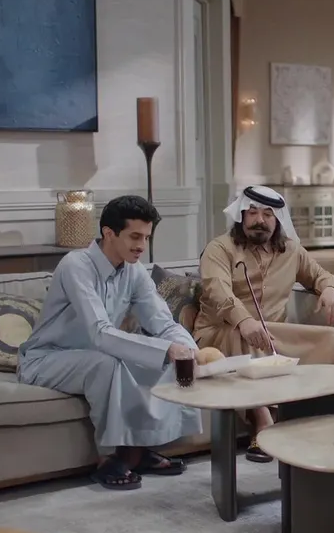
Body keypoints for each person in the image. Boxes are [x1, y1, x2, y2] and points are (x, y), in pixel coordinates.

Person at [18, 196, 200, 491]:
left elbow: (163, 323)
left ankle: (138, 449)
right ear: (109, 233)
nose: (142, 246)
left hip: (95, 354)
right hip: (46, 358)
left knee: (164, 358)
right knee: (111, 363)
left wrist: (188, 350)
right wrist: (167, 350)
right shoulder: (76, 265)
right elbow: (100, 333)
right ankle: (110, 458)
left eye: (146, 237)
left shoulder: (134, 270)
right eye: (135, 237)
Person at [195, 185, 334, 462]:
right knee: (243, 335)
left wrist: (328, 288)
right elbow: (217, 291)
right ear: (241, 215)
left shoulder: (291, 250)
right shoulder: (219, 249)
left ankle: (325, 419)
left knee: (333, 339)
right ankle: (263, 422)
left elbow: (320, 275)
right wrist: (244, 320)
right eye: (253, 212)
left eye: (267, 214)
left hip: (273, 336)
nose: (260, 220)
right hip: (219, 333)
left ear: (277, 219)